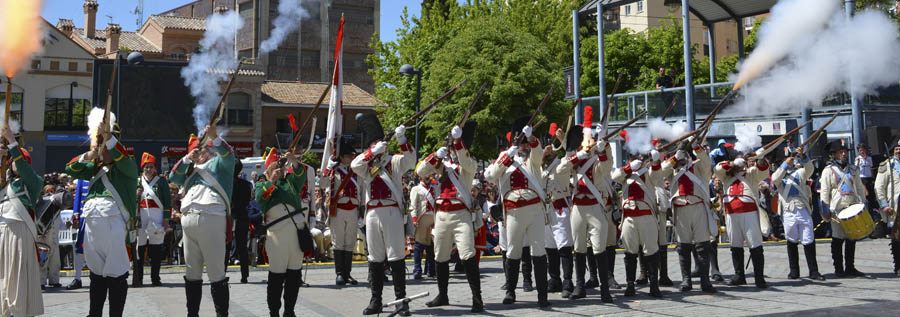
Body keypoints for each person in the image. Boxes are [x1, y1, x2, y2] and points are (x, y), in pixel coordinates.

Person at [66, 115, 137, 317]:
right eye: (101, 144)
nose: (103, 148)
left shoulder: (127, 166)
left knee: (116, 277)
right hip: (92, 229)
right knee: (96, 276)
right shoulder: (94, 168)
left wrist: (109, 136)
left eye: (106, 144)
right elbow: (69, 168)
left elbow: (123, 158)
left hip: (115, 228)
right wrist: (88, 156)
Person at [351, 114, 415, 316]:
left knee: (396, 256)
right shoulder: (366, 165)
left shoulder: (394, 161)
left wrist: (403, 140)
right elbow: (354, 165)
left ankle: (401, 301)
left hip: (392, 211)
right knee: (375, 258)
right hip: (372, 213)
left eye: (382, 143)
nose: (381, 146)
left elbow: (411, 161)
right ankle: (375, 300)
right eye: (376, 144)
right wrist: (371, 152)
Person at [416, 121, 483, 313]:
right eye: (452, 146)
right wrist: (435, 155)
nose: (453, 149)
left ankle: (477, 297)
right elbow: (421, 171)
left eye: (456, 145)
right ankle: (442, 294)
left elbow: (464, 160)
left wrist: (458, 142)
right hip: (442, 214)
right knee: (440, 256)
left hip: (461, 213)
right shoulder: (442, 164)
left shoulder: (469, 162)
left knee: (468, 254)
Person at [168, 126, 235, 316]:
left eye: (204, 148)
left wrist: (214, 138)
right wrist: (188, 158)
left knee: (216, 273)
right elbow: (173, 176)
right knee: (192, 273)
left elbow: (229, 156)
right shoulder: (189, 171)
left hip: (211, 218)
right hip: (188, 222)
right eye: (199, 149)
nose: (202, 152)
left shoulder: (219, 164)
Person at [486, 118, 552, 308]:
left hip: (535, 210)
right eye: (521, 141)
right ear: (514, 142)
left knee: (538, 251)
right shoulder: (505, 159)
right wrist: (508, 155)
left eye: (525, 142)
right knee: (513, 251)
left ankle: (542, 294)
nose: (524, 145)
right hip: (513, 211)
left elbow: (538, 151)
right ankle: (510, 291)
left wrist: (531, 136)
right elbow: (490, 174)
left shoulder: (533, 159)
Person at [556, 123, 614, 302]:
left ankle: (605, 288)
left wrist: (602, 150)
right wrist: (577, 156)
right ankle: (579, 286)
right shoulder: (575, 158)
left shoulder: (598, 157)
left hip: (595, 206)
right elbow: (560, 170)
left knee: (598, 247)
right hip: (578, 207)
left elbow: (606, 168)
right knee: (579, 247)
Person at [255, 148, 308, 317]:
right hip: (276, 235)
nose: (280, 170)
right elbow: (261, 198)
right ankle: (274, 312)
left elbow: (301, 175)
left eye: (281, 167)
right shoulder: (263, 184)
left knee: (294, 276)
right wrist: (271, 180)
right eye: (275, 167)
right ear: (268, 169)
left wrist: (293, 160)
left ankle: (289, 311)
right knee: (276, 277)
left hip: (296, 234)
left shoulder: (290, 182)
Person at [659, 139, 717, 293]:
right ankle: (686, 280)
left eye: (684, 154)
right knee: (683, 246)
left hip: (698, 207)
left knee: (702, 245)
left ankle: (705, 280)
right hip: (680, 209)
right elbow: (661, 171)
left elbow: (706, 161)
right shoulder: (673, 169)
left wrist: (696, 146)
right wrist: (676, 156)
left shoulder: (698, 166)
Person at [715, 148, 775, 289]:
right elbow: (718, 168)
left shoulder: (751, 173)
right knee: (735, 245)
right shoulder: (726, 174)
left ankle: (759, 277)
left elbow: (763, 170)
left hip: (749, 212)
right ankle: (739, 275)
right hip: (731, 212)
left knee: (755, 244)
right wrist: (733, 163)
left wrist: (760, 158)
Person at [0, 126, 44, 317]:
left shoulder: (33, 182)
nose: (18, 164)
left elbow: (25, 169)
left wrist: (12, 143)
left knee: (18, 277)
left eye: (22, 160)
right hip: (2, 232)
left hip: (20, 232)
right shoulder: (4, 183)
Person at [611, 152, 664, 297]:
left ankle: (654, 285)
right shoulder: (625, 173)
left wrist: (654, 161)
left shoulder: (648, 173)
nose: (636, 160)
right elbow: (615, 177)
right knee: (630, 253)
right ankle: (630, 285)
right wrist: (629, 167)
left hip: (646, 214)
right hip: (628, 217)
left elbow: (657, 175)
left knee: (651, 252)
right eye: (632, 157)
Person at [772, 150, 825, 280]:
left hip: (803, 209)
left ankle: (814, 271)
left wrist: (803, 157)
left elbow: (809, 169)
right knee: (791, 240)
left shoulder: (799, 173)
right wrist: (784, 165)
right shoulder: (779, 174)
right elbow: (774, 179)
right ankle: (794, 271)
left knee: (808, 239)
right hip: (788, 211)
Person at [819, 141, 867, 278]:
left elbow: (859, 188)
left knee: (852, 237)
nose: (844, 154)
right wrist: (825, 209)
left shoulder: (853, 169)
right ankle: (838, 268)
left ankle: (850, 267)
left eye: (845, 151)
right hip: (837, 209)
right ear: (834, 155)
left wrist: (863, 204)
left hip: (852, 206)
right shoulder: (828, 171)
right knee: (838, 238)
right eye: (840, 152)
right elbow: (825, 192)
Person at [540, 127, 574, 299]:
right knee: (550, 247)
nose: (547, 149)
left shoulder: (561, 164)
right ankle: (554, 279)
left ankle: (568, 282)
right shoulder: (540, 168)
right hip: (546, 211)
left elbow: (570, 158)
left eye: (549, 146)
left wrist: (563, 141)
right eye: (545, 146)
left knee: (564, 246)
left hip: (560, 208)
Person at [321, 137, 360, 286]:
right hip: (338, 210)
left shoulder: (356, 171)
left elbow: (361, 191)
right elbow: (323, 183)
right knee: (339, 243)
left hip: (353, 210)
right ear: (342, 157)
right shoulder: (334, 171)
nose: (351, 158)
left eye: (352, 156)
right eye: (349, 156)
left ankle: (347, 273)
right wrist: (328, 168)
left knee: (350, 243)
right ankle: (339, 274)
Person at [133, 153, 172, 287]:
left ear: (155, 168)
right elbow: (132, 201)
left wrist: (166, 219)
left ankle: (155, 278)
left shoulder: (161, 182)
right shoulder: (138, 181)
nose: (148, 170)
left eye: (151, 167)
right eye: (146, 167)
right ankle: (139, 278)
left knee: (156, 248)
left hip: (157, 215)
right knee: (140, 248)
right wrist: (136, 195)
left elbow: (167, 201)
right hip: (141, 216)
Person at [875, 138, 900, 276]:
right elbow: (879, 187)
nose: (899, 151)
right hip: (896, 206)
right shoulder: (887, 166)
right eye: (897, 149)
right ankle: (898, 265)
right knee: (897, 238)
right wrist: (884, 205)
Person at [408, 175, 436, 280]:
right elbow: (413, 205)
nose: (428, 177)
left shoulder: (434, 188)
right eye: (426, 175)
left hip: (433, 219)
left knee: (430, 247)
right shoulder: (416, 189)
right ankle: (417, 270)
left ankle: (431, 270)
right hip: (421, 219)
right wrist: (414, 219)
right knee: (419, 246)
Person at [231, 159, 253, 283]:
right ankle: (245, 275)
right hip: (242, 216)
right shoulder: (246, 184)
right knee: (242, 247)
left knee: (226, 245)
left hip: (230, 216)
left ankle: (222, 272)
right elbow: (246, 201)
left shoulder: (227, 183)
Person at [311, 187, 333, 262]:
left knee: (329, 234)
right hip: (313, 226)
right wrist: (316, 204)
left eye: (319, 191)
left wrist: (327, 204)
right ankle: (322, 254)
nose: (317, 193)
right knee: (318, 233)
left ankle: (319, 251)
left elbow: (329, 215)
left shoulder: (325, 202)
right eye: (315, 191)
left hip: (324, 226)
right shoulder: (310, 203)